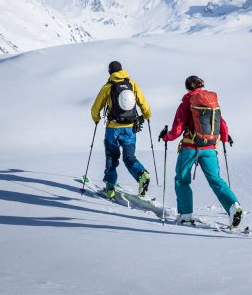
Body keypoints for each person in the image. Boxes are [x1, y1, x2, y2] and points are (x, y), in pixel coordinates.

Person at [158, 76, 243, 228]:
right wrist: (224, 138)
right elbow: (222, 123)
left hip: (190, 147)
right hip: (210, 148)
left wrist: (166, 137)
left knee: (182, 179)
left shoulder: (186, 103)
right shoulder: (211, 102)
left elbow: (177, 129)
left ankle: (186, 215)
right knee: (216, 180)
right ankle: (233, 206)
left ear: (188, 87)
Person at [90, 61, 153, 198]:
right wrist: (146, 115)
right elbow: (144, 104)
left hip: (113, 129)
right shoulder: (132, 84)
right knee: (129, 156)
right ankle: (142, 173)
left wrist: (96, 118)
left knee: (112, 157)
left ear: (110, 72)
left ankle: (110, 188)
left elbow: (95, 108)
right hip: (130, 128)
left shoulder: (108, 86)